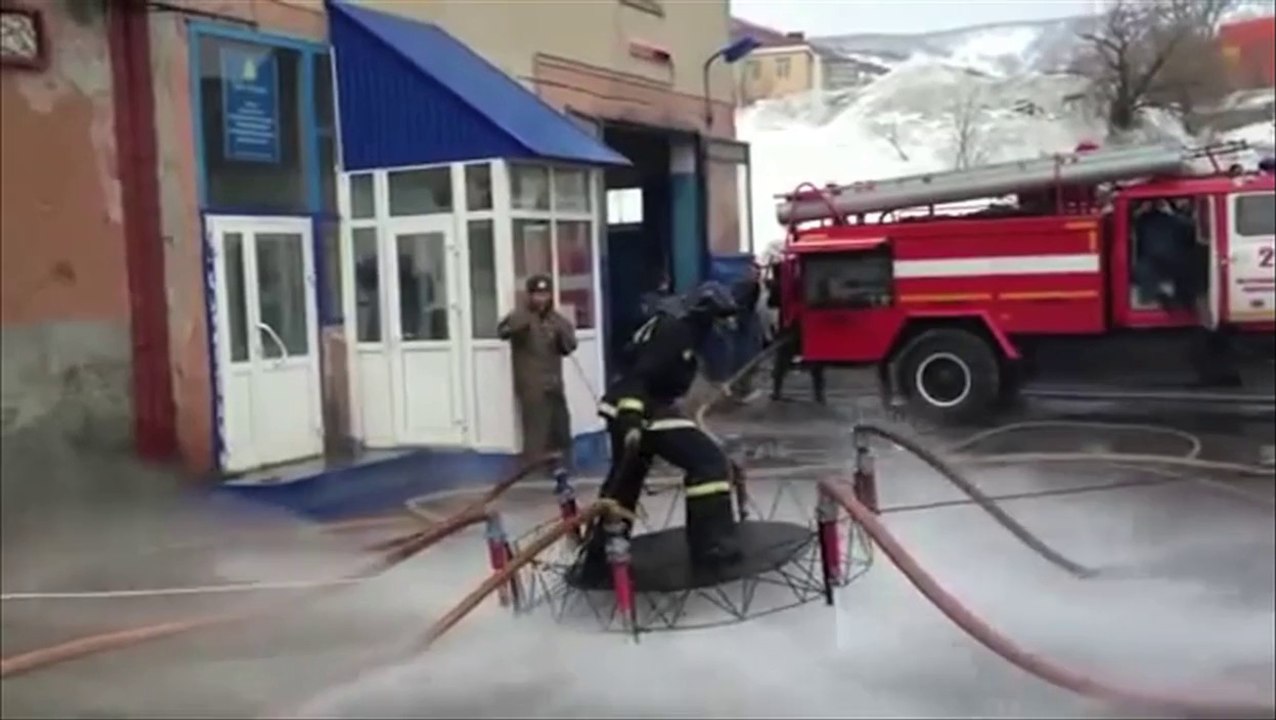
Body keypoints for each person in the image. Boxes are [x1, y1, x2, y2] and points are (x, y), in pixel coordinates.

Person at [576, 281, 743, 580]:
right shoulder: (675, 332)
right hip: (641, 409)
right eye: (720, 317)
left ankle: (600, 552)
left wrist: (714, 388)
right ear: (705, 312)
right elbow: (641, 375)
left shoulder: (681, 330)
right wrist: (631, 419)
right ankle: (711, 545)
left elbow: (672, 377)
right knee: (708, 462)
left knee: (626, 480)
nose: (724, 325)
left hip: (642, 407)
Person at [498, 274, 577, 486]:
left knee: (560, 426)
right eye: (537, 294)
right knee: (536, 429)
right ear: (530, 295)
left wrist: (562, 333)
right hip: (531, 384)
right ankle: (532, 472)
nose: (541, 299)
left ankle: (562, 468)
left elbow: (569, 346)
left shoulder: (556, 320)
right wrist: (523, 322)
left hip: (554, 382)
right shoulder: (520, 316)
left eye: (545, 294)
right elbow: (503, 331)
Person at [766, 259, 826, 403]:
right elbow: (773, 302)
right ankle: (818, 395)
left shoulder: (786, 284)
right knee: (813, 362)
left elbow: (772, 303)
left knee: (784, 361)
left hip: (793, 326)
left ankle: (777, 391)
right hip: (802, 326)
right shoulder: (811, 280)